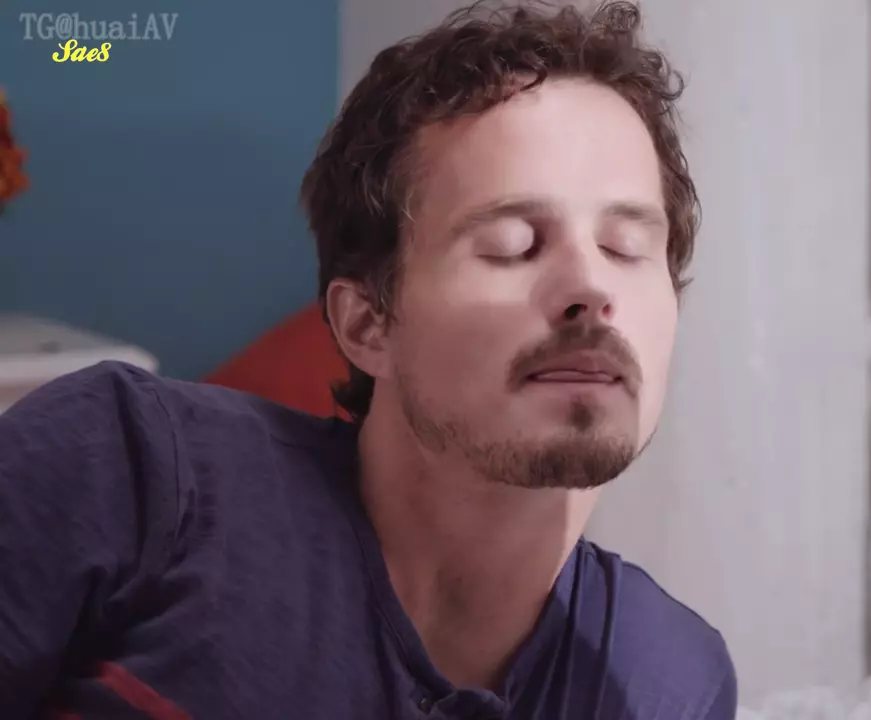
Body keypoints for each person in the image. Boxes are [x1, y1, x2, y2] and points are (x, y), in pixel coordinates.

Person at [0, 2, 737, 718]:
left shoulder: (669, 682)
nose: (591, 287)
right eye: (513, 245)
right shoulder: (127, 467)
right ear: (367, 324)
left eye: (626, 249)